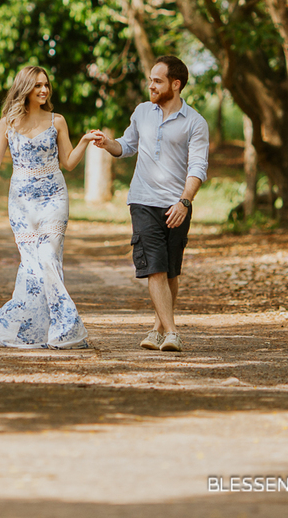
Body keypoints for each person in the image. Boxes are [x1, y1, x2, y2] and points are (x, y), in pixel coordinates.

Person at [84, 55, 209, 353]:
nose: (150, 85)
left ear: (175, 85)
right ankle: (173, 332)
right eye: (150, 79)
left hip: (176, 204)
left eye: (157, 80)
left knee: (170, 270)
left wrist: (184, 202)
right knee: (154, 267)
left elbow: (198, 167)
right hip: (142, 200)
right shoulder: (142, 112)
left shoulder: (195, 122)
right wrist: (107, 143)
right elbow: (127, 146)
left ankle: (157, 329)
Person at [0, 65, 94, 349]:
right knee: (32, 267)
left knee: (48, 258)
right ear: (25, 88)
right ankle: (33, 330)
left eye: (46, 85)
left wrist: (85, 141)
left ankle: (65, 328)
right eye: (38, 85)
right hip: (21, 202)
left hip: (54, 196)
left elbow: (68, 162)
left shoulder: (58, 121)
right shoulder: (8, 122)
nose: (44, 90)